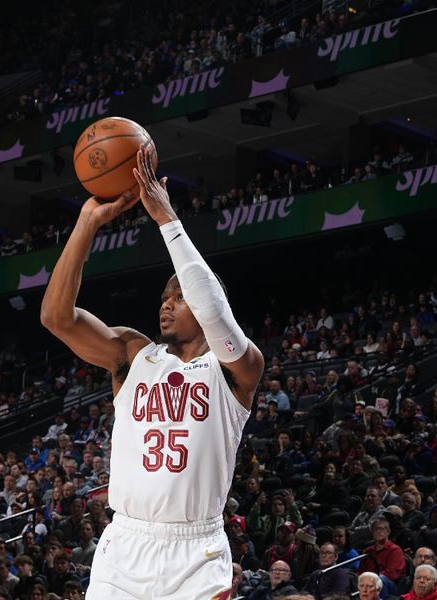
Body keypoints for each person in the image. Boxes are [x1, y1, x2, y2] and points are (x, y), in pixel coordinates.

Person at [40, 143, 264, 600]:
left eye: (178, 295)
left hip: (196, 552)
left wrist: (168, 221)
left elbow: (215, 313)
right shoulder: (133, 354)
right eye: (164, 295)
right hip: (125, 545)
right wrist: (86, 225)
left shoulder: (237, 368)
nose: (166, 302)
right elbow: (56, 318)